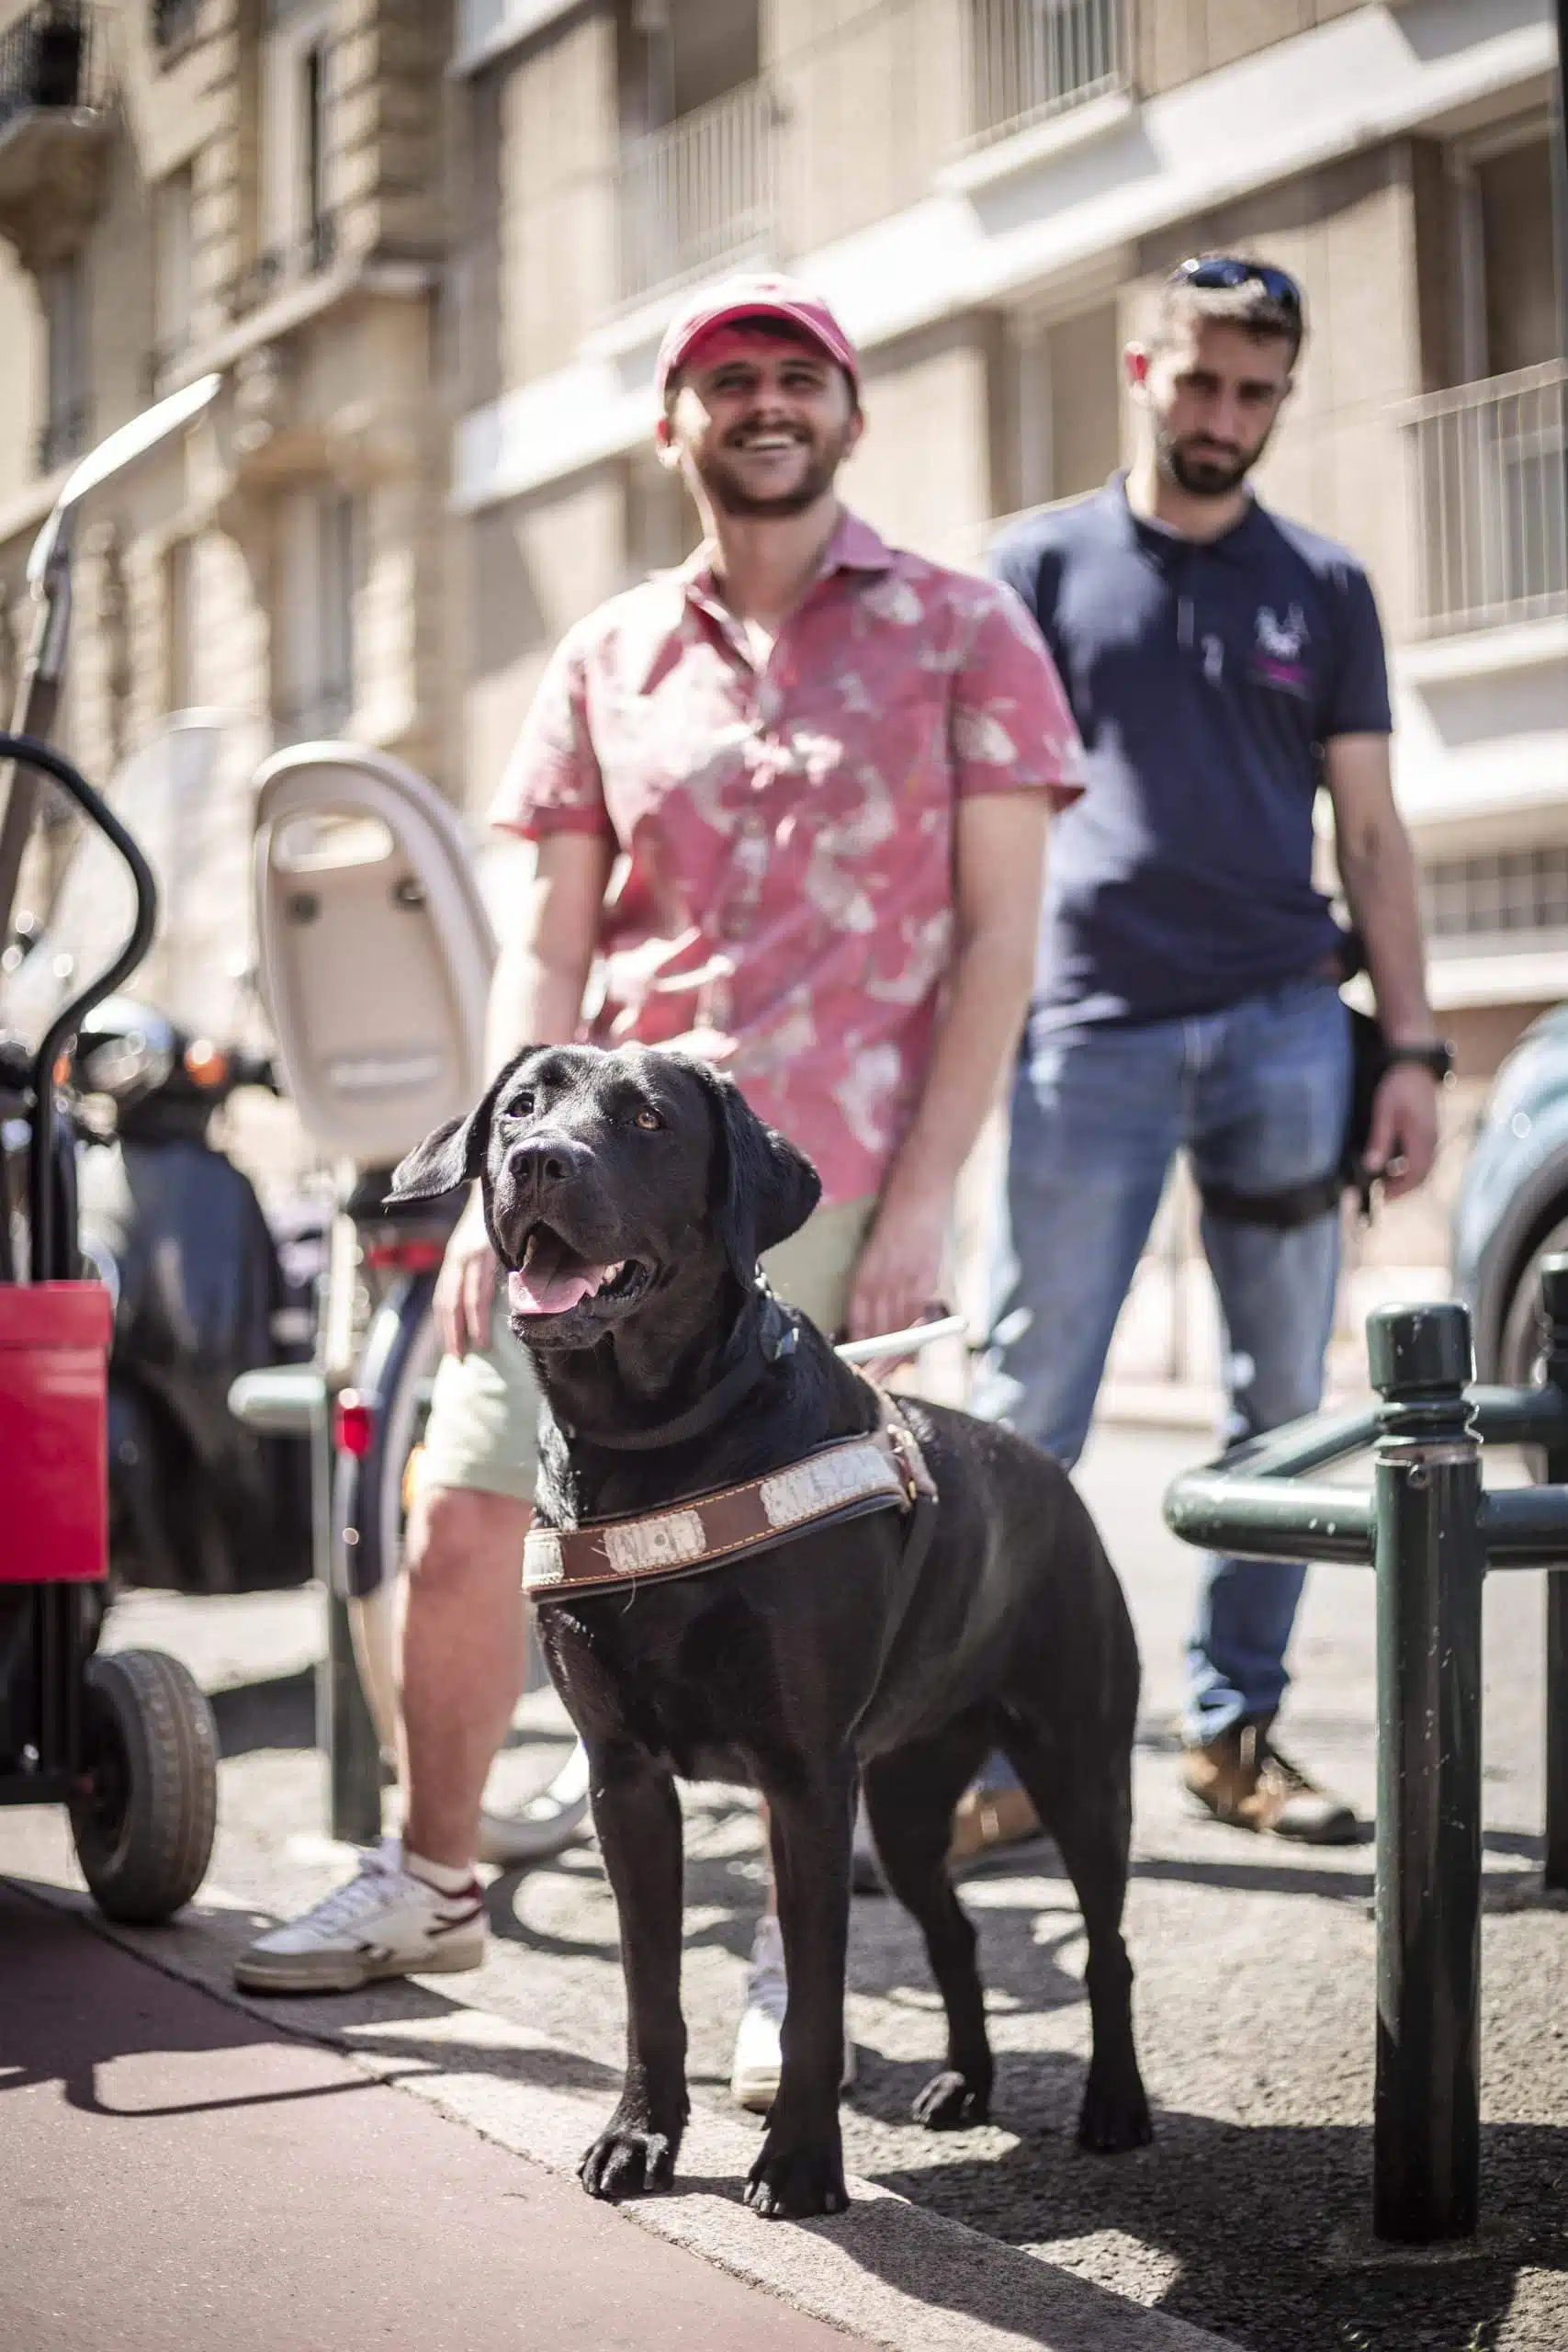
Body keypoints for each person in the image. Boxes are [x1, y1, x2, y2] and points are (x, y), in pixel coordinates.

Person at [236, 275, 1084, 2102]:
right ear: (672, 425)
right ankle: (433, 1873)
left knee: (816, 1587)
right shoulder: (604, 654)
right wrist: (497, 1189)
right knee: (467, 1503)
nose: (763, 404)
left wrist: (928, 1189)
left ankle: (795, 1948)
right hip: (593, 1174)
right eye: (726, 382)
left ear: (848, 413)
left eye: (797, 377)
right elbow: (546, 949)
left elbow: (1001, 940)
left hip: (837, 1171)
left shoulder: (965, 631)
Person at [974, 256, 1446, 1843]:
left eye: (1255, 391)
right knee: (1028, 1402)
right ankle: (987, 1756)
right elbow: (968, 828)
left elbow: (1370, 834)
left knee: (1286, 1411)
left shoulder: (1323, 586)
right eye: (1199, 382)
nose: (1224, 417)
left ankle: (1233, 1733)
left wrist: (1414, 1050)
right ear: (1139, 369)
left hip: (1283, 1034)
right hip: (1082, 1033)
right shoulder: (1029, 570)